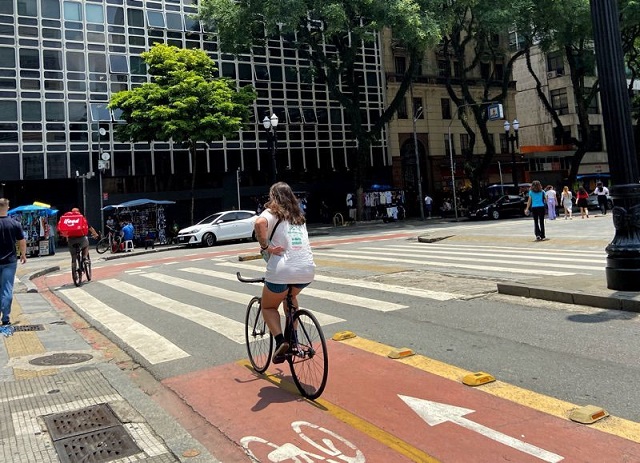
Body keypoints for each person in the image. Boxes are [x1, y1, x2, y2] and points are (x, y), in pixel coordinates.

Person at [254, 182, 316, 363]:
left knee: (268, 307)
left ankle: (281, 341)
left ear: (273, 196)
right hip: (307, 270)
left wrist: (266, 247)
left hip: (282, 270)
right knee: (291, 297)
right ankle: (294, 339)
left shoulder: (272, 212)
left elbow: (259, 223)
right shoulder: (299, 215)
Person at [0, 198, 26, 326]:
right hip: (10, 261)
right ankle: (5, 317)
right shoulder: (15, 223)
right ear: (8, 207)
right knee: (7, 288)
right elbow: (22, 240)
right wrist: (23, 254)